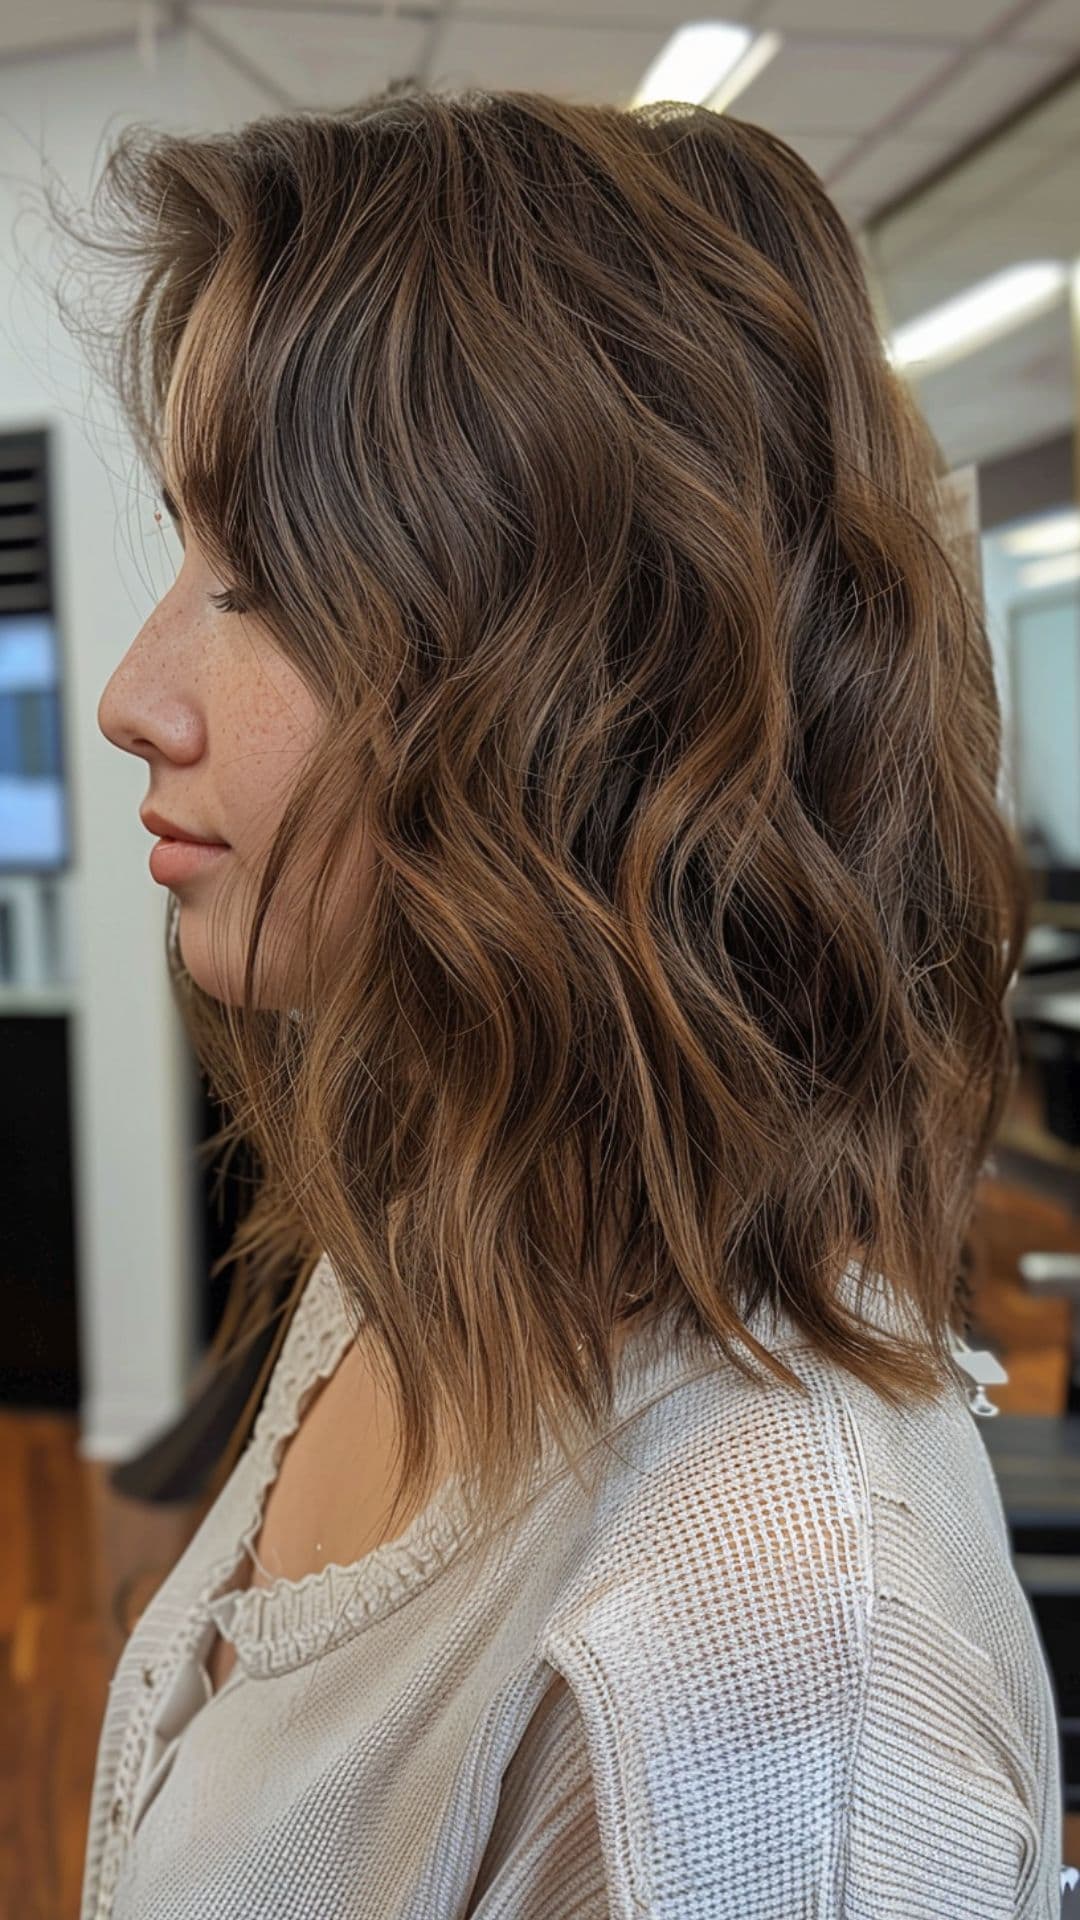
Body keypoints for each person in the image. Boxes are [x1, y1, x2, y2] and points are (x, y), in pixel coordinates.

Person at [60, 84, 1069, 1917]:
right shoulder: (447, 1221)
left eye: (262, 578)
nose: (137, 693)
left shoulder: (773, 1673)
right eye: (185, 550)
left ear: (587, 685)